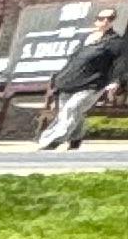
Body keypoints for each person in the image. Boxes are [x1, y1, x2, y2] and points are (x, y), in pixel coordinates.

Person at [38, 13, 123, 150]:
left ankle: (51, 140)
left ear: (113, 21)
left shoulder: (115, 42)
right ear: (95, 21)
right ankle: (76, 137)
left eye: (110, 18)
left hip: (93, 83)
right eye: (101, 18)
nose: (105, 21)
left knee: (72, 109)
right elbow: (73, 61)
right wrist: (60, 79)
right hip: (70, 81)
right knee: (70, 112)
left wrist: (116, 81)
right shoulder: (85, 38)